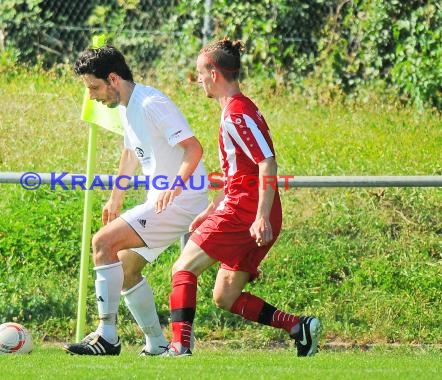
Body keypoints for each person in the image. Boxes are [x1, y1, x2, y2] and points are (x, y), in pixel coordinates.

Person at [163, 38, 321, 357]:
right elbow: (240, 169)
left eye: (200, 73)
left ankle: (179, 346)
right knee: (225, 295)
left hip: (245, 210)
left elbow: (267, 162)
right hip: (247, 207)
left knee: (183, 267)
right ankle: (297, 327)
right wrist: (211, 209)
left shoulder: (237, 113)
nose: (197, 80)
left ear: (215, 74)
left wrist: (260, 215)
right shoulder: (237, 110)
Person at [63, 46, 208, 356]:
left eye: (94, 87)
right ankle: (156, 343)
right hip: (165, 201)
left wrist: (174, 188)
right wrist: (115, 198)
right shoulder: (129, 106)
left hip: (180, 202)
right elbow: (130, 153)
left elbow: (194, 148)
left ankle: (107, 335)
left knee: (103, 243)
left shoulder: (152, 103)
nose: (92, 96)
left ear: (113, 78)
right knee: (126, 268)